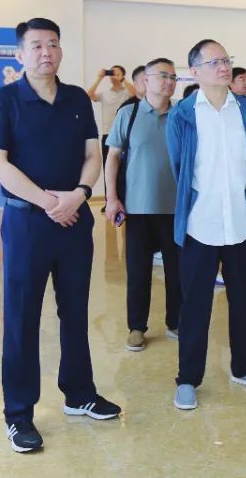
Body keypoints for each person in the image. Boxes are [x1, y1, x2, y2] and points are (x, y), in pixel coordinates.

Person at [0, 18, 120, 453]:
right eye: (37, 45)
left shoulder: (77, 97)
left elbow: (92, 154)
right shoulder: (5, 99)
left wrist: (79, 195)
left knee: (75, 311)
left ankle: (79, 394)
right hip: (27, 223)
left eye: (54, 44)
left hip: (75, 219)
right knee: (22, 317)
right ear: (20, 54)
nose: (47, 52)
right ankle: (18, 413)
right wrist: (49, 202)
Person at [166, 39, 246, 410]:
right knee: (195, 305)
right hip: (201, 223)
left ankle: (244, 367)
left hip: (240, 222)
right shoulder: (183, 115)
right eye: (214, 62)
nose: (223, 66)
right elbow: (179, 167)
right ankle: (187, 378)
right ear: (195, 71)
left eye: (226, 60)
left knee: (242, 299)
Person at [104, 57, 183, 352]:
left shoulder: (182, 115)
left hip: (176, 208)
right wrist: (112, 198)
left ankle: (176, 321)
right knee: (138, 272)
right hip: (138, 208)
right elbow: (113, 157)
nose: (168, 82)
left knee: (177, 271)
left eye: (173, 77)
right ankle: (136, 327)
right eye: (162, 76)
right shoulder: (129, 113)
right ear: (146, 80)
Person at [87, 64, 135, 210]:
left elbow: (137, 94)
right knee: (108, 168)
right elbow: (88, 95)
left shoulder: (127, 92)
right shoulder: (105, 94)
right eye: (112, 73)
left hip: (127, 135)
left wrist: (123, 80)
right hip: (108, 135)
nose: (114, 76)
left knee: (126, 168)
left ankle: (126, 200)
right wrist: (99, 78)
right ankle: (110, 201)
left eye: (117, 73)